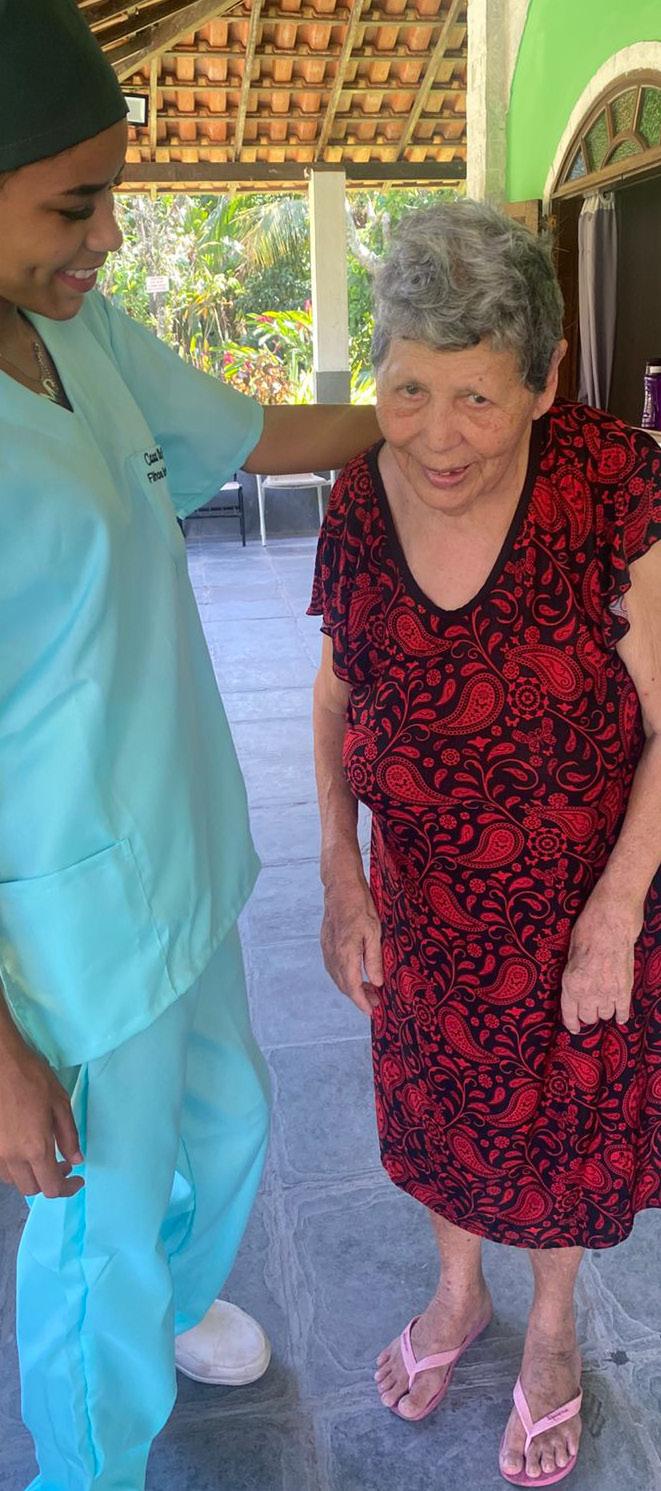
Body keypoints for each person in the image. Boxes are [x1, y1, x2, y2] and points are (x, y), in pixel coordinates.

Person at [0, 4, 380, 1489]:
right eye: (72, 204)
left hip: (179, 848)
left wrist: (434, 414)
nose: (107, 235)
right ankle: (86, 1465)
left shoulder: (74, 331)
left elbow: (252, 436)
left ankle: (160, 1307)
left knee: (230, 1127)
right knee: (91, 1236)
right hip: (69, 927)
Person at [309, 198, 661, 1488]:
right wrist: (341, 874)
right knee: (438, 1113)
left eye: (477, 396)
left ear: (545, 380)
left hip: (577, 908)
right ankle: (458, 1293)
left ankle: (553, 1327)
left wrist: (618, 910)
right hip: (421, 901)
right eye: (408, 390)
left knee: (562, 1133)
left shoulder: (608, 485)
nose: (437, 435)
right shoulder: (359, 498)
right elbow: (337, 697)